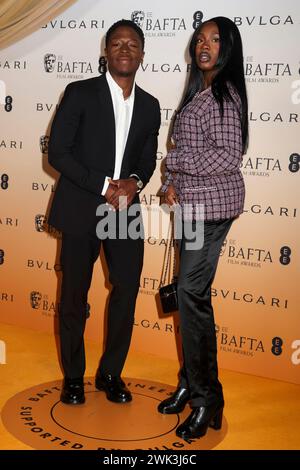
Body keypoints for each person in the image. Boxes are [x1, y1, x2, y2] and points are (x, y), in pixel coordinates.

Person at [48, 20, 160, 405]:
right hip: (82, 205)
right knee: (75, 296)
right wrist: (103, 185)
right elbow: (57, 152)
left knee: (126, 291)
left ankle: (111, 373)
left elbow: (146, 159)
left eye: (132, 44)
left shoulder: (150, 105)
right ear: (106, 52)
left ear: (143, 54)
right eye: (117, 43)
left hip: (125, 211)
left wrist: (133, 182)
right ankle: (74, 377)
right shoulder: (79, 93)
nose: (125, 49)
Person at [158, 17, 248, 439]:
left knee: (192, 298)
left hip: (212, 210)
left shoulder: (225, 94)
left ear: (228, 47)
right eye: (199, 39)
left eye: (214, 39)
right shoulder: (199, 92)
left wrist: (172, 166)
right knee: (191, 299)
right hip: (190, 207)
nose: (204, 45)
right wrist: (171, 185)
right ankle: (190, 383)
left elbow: (226, 156)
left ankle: (207, 398)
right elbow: (187, 150)